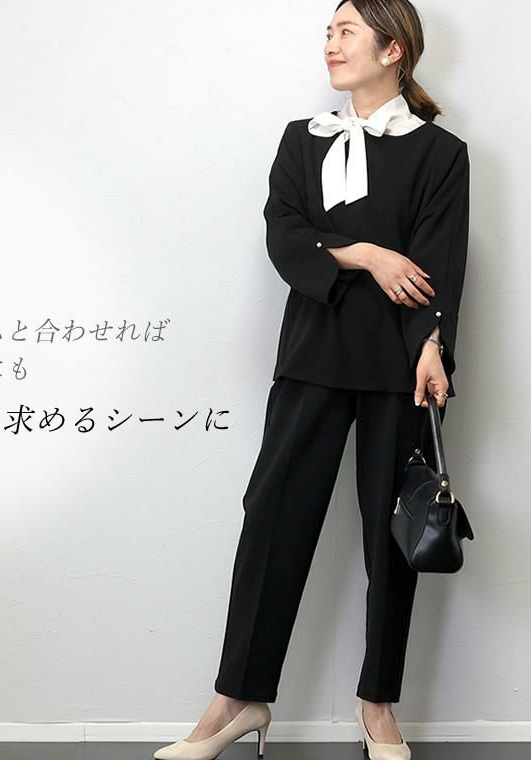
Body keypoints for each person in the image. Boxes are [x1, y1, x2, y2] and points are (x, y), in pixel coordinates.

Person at [153, 1, 470, 759]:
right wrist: (367, 254)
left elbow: (440, 257)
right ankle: (239, 699)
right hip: (313, 353)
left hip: (399, 364)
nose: (330, 44)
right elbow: (285, 233)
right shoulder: (303, 139)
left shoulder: (440, 153)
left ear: (393, 50)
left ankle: (377, 705)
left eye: (346, 31)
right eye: (329, 31)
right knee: (272, 519)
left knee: (392, 537)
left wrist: (433, 346)